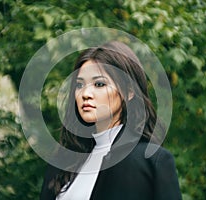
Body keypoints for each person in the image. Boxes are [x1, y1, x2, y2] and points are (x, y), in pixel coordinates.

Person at [40, 41, 182, 200]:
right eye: (79, 85)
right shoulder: (63, 162)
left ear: (128, 92)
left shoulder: (149, 161)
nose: (85, 93)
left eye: (99, 84)